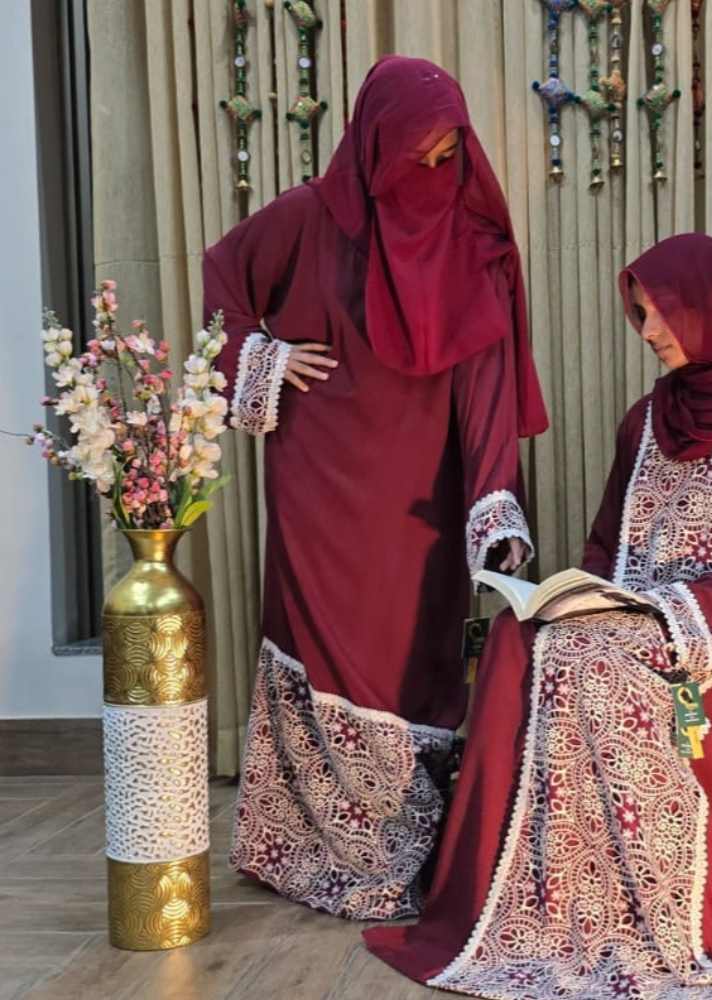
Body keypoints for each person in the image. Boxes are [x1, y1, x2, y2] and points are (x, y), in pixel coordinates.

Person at [365, 234, 712, 998]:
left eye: (663, 315)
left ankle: (659, 911)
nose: (649, 333)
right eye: (641, 316)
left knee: (599, 667)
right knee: (517, 638)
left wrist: (669, 619)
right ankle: (541, 903)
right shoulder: (646, 420)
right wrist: (576, 601)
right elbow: (607, 546)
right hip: (629, 621)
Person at [201, 55, 548, 920]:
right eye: (413, 159)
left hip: (418, 499)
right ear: (371, 149)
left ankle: (404, 846)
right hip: (319, 483)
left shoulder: (476, 243)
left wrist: (492, 499)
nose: (432, 177)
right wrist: (268, 360)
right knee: (325, 651)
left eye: (447, 157)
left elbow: (488, 388)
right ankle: (318, 849)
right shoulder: (310, 217)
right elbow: (221, 299)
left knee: (411, 662)